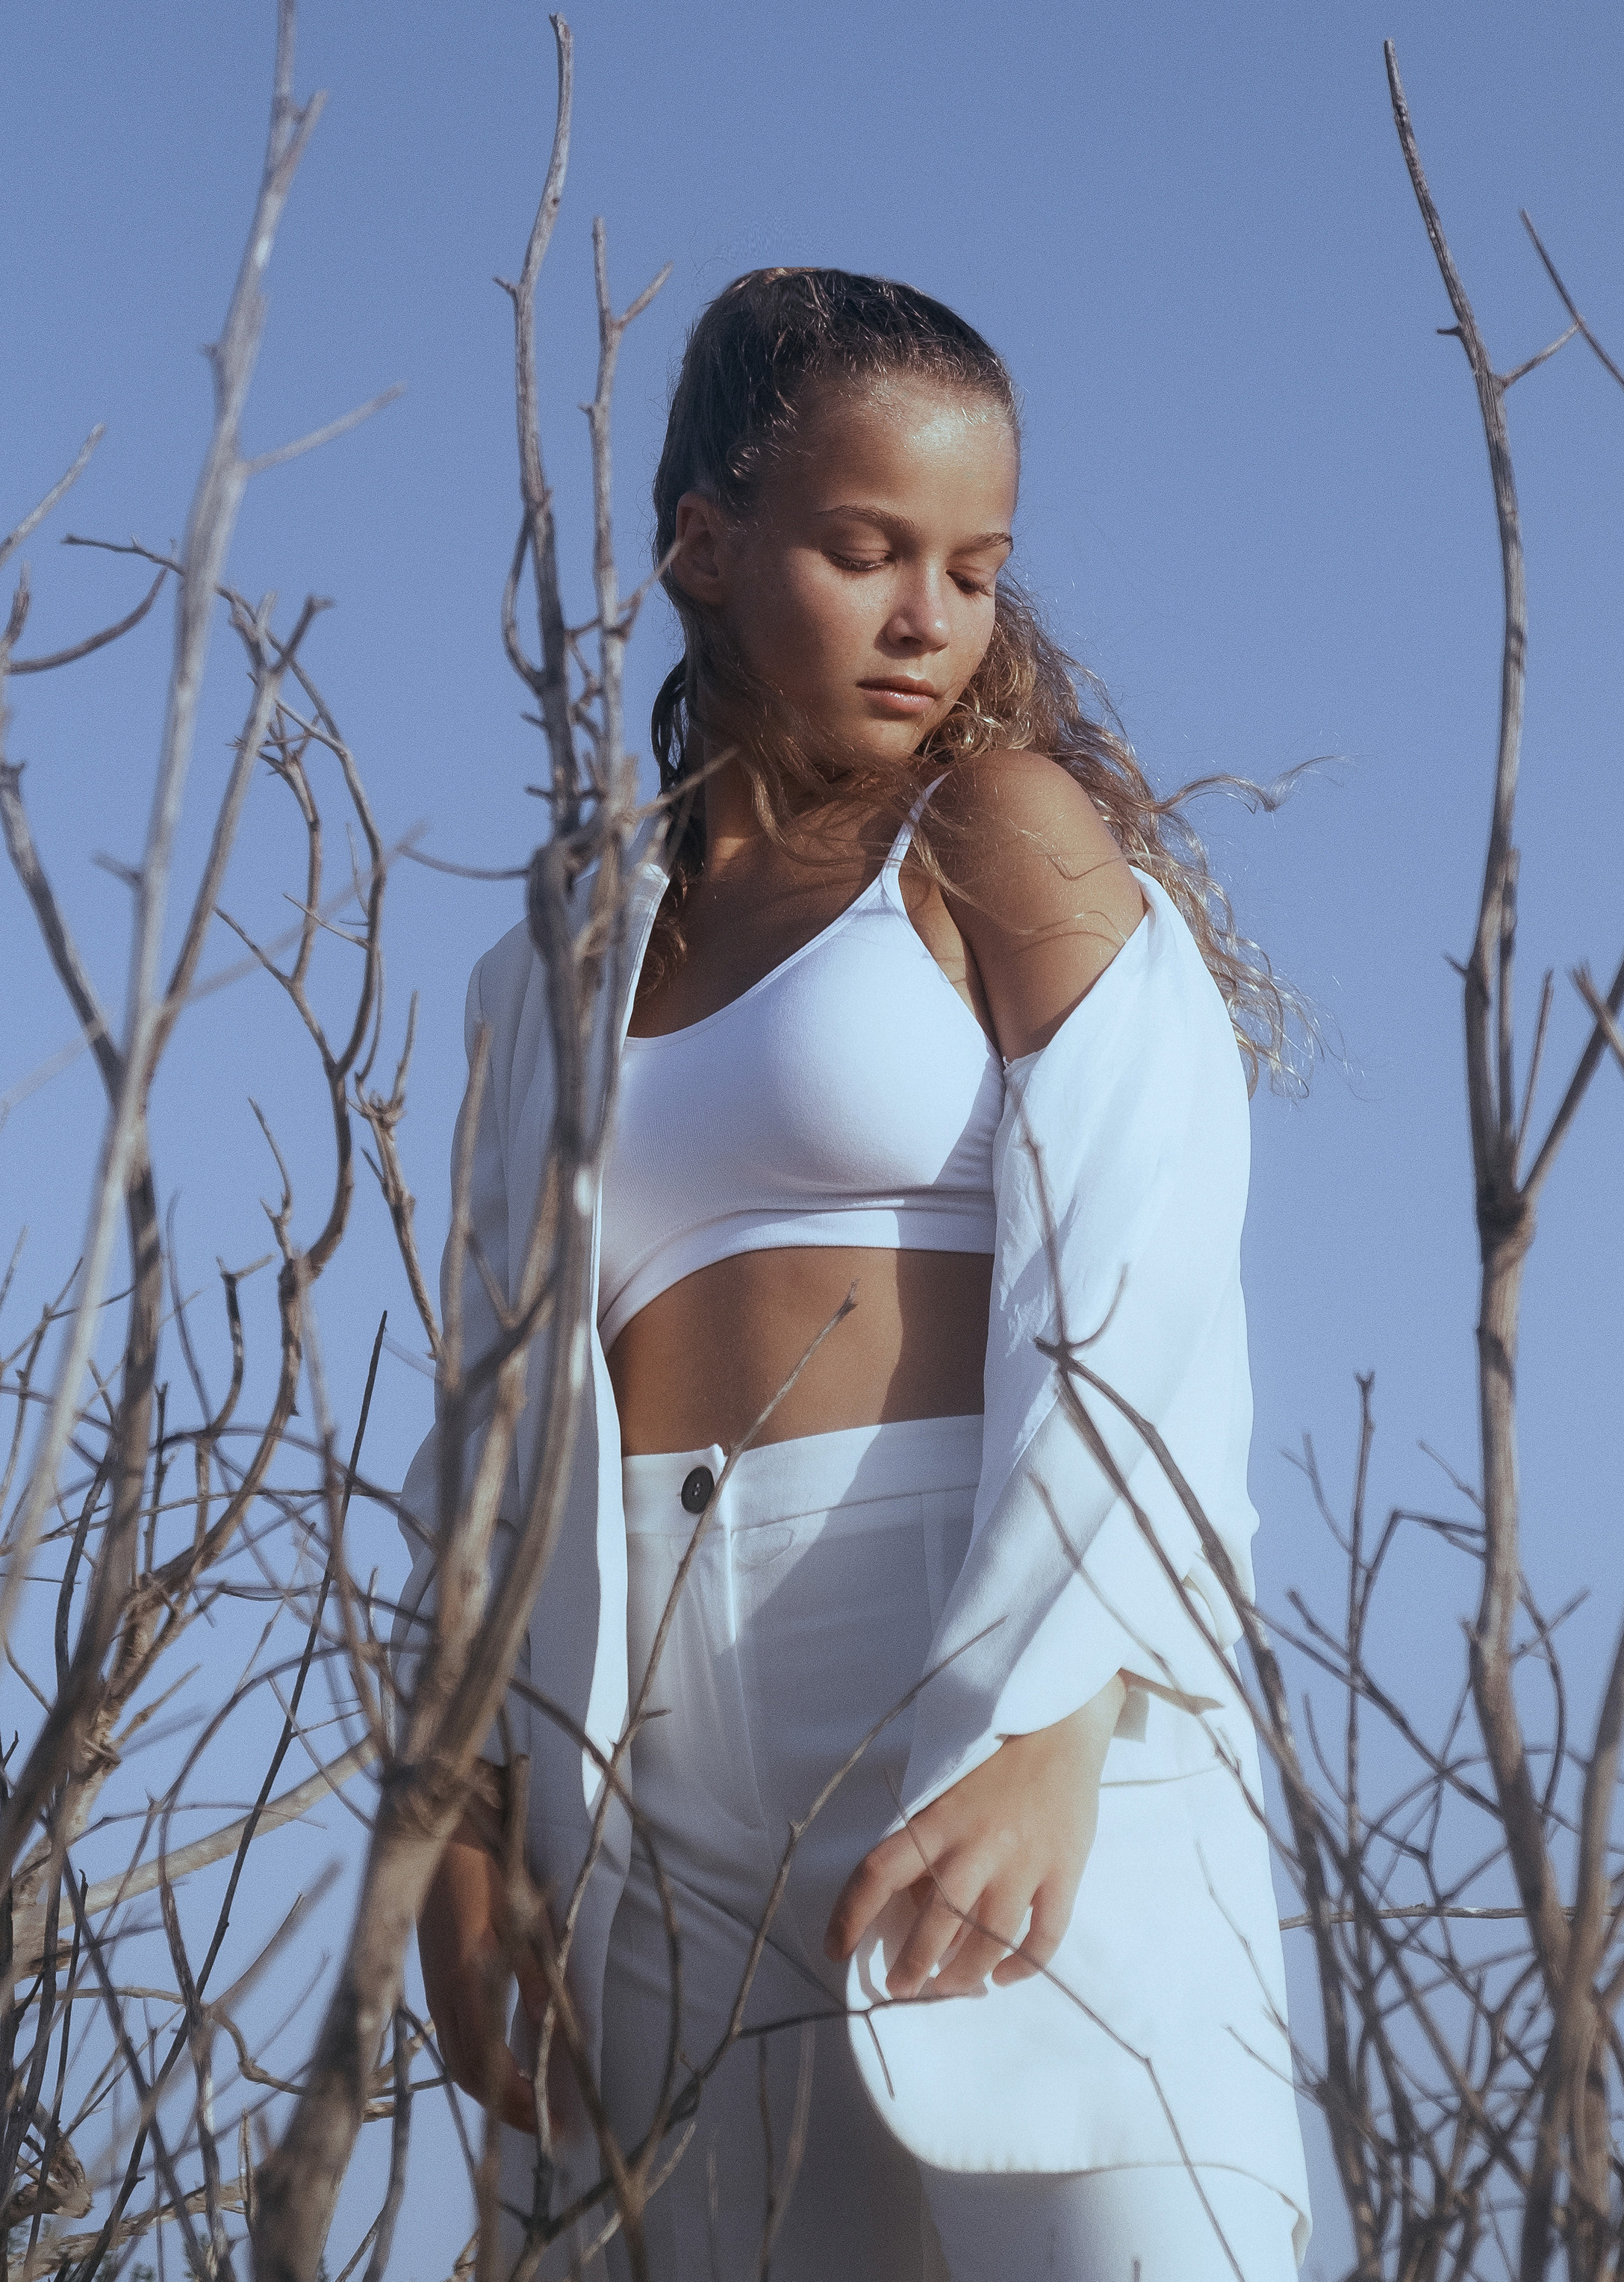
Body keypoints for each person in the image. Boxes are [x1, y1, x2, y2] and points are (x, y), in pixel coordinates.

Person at [403, 271, 1311, 2281]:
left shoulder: (1002, 836)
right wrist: (455, 1829)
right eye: (865, 551)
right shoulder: (548, 965)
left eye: (974, 570)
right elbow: (478, 1421)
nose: (931, 621)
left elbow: (1157, 1280)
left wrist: (1067, 1722)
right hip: (627, 1733)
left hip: (984, 1656)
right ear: (706, 547)